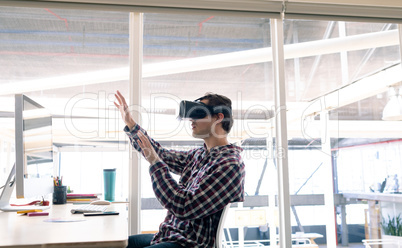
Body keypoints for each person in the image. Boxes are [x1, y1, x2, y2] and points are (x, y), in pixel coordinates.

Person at [114, 90, 245, 248]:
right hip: (170, 235)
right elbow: (161, 154)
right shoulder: (200, 155)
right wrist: (131, 124)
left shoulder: (229, 164)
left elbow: (184, 207)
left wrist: (155, 162)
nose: (191, 119)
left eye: (198, 113)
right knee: (114, 244)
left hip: (189, 243)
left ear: (218, 117)